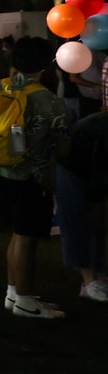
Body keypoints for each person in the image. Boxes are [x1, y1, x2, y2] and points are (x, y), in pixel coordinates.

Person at [0, 36, 69, 318]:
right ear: (44, 65)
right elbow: (61, 144)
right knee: (27, 238)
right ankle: (25, 300)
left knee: (17, 234)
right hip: (33, 175)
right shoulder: (49, 100)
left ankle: (13, 292)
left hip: (1, 169)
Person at [58, 110, 108, 303]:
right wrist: (96, 197)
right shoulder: (102, 129)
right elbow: (100, 166)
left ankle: (99, 276)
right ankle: (89, 282)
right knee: (79, 221)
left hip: (87, 162)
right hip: (73, 165)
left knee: (95, 224)